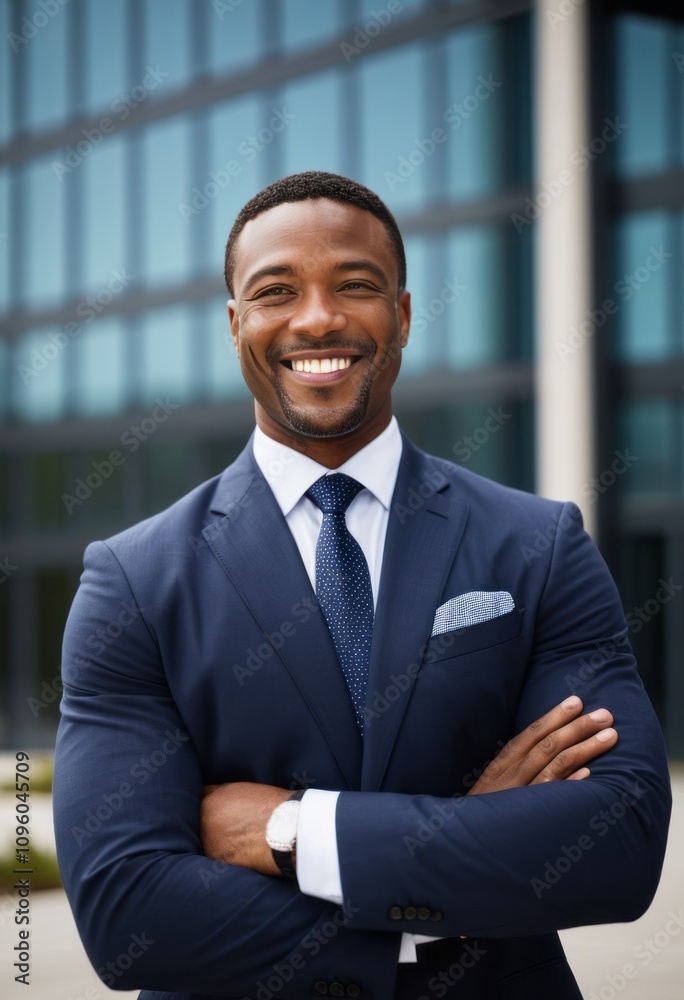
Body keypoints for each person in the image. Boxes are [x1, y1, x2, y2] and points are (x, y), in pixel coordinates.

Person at [54, 171, 671, 1000]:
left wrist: (295, 832)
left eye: (356, 285)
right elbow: (128, 917)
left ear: (404, 317)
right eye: (276, 292)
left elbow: (618, 845)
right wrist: (455, 873)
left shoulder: (538, 544)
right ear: (235, 325)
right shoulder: (132, 581)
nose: (318, 318)